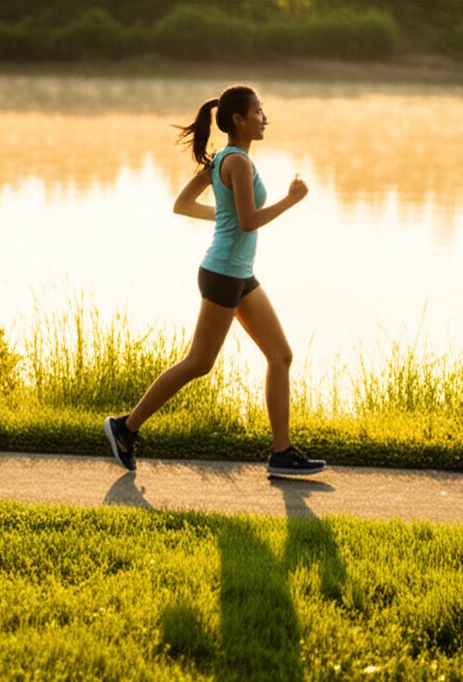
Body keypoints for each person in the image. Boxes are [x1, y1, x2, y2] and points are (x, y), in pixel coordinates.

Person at [104, 84, 327, 476]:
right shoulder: (237, 162)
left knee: (281, 355)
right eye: (258, 111)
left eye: (263, 110)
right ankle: (125, 427)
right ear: (239, 120)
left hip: (238, 274)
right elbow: (247, 220)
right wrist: (292, 200)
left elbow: (184, 205)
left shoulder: (224, 159)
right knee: (198, 363)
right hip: (224, 274)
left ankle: (281, 453)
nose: (264, 117)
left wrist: (224, 218)